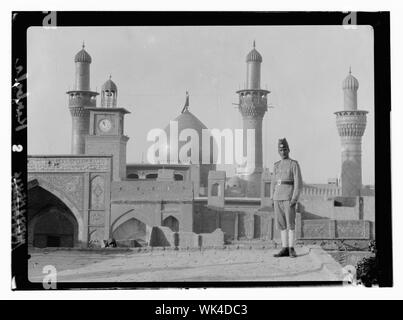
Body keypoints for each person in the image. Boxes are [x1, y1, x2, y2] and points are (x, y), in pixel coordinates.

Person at [270, 138, 303, 258]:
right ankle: (284, 248)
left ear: (288, 150)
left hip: (288, 197)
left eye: (284, 149)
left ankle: (291, 248)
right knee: (281, 224)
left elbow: (298, 183)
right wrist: (271, 198)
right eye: (280, 150)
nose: (283, 152)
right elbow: (273, 182)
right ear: (278, 152)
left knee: (290, 224)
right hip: (277, 197)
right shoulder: (276, 165)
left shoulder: (293, 164)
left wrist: (294, 198)